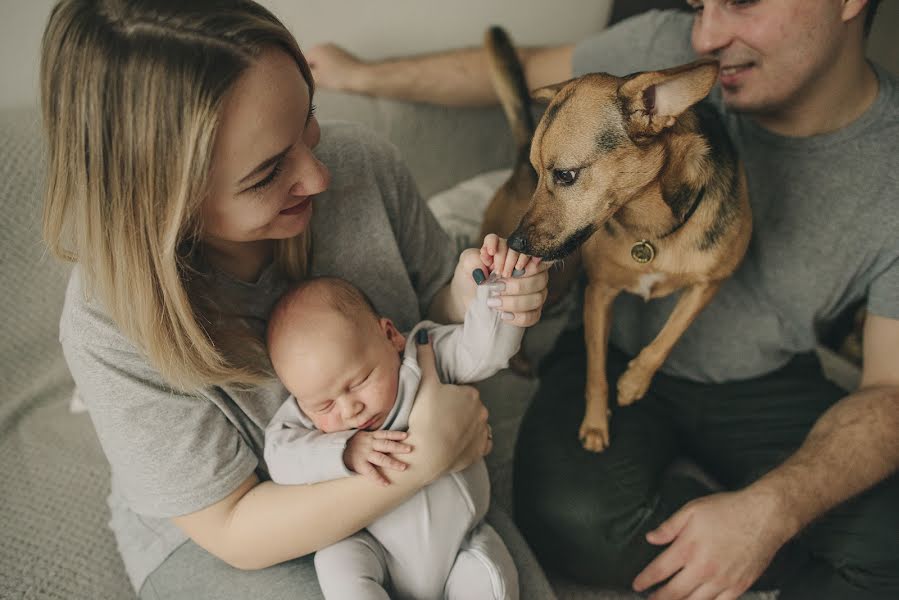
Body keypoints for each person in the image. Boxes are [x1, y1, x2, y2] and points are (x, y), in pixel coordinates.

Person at [306, 1, 899, 598]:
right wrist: (360, 76)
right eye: (699, 3)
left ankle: (748, 547)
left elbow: (892, 390)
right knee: (561, 516)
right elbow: (522, 71)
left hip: (768, 382)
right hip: (611, 347)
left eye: (740, 0)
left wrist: (772, 512)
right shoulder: (656, 51)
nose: (708, 34)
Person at [40, 1, 555, 599]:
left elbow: (434, 309)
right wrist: (426, 459)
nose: (319, 177)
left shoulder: (362, 164)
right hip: (249, 520)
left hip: (414, 463)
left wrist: (475, 294)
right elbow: (234, 528)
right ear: (158, 202)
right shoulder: (109, 323)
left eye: (307, 116)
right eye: (265, 175)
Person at [264, 246, 533, 598]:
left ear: (390, 336)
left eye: (359, 381)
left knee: (491, 576)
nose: (349, 410)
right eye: (325, 404)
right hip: (376, 547)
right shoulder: (306, 417)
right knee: (335, 560)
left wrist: (498, 294)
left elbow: (483, 353)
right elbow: (279, 457)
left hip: (461, 542)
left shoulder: (423, 355)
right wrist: (341, 451)